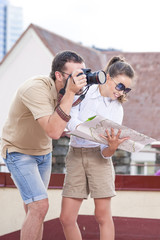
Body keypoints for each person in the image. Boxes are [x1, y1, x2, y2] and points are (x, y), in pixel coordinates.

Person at [0, 50, 87, 240]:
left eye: (83, 73)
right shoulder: (35, 88)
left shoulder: (66, 92)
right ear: (59, 75)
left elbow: (62, 125)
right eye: (76, 75)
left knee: (34, 209)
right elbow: (54, 132)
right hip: (18, 151)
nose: (80, 79)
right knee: (40, 206)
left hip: (43, 153)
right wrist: (71, 93)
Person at [60, 56, 135, 240]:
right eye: (119, 86)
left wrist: (112, 146)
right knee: (66, 218)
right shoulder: (84, 89)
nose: (121, 92)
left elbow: (105, 152)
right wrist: (88, 132)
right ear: (108, 77)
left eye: (126, 89)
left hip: (100, 160)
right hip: (76, 155)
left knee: (102, 216)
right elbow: (69, 120)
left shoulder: (117, 109)